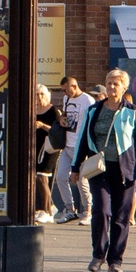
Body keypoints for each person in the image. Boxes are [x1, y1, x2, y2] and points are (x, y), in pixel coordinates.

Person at [71, 68, 136, 272]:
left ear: (124, 87)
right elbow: (82, 140)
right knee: (100, 210)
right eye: (109, 83)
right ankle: (98, 255)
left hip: (125, 170)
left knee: (120, 216)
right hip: (100, 168)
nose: (111, 87)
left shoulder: (132, 111)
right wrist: (75, 167)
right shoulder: (94, 110)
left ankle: (115, 260)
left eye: (116, 84)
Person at [49, 78, 93, 225]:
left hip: (79, 146)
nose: (64, 93)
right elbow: (65, 115)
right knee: (61, 176)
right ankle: (69, 209)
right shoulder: (67, 98)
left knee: (81, 180)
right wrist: (62, 119)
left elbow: (92, 122)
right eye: (62, 90)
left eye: (66, 90)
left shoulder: (88, 100)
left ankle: (88, 211)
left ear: (75, 86)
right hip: (67, 144)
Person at [30, 84, 65, 222]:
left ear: (47, 95)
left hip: (49, 147)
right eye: (37, 94)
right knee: (35, 178)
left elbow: (59, 130)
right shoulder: (33, 110)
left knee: (42, 177)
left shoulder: (53, 111)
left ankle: (47, 211)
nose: (39, 97)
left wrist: (42, 125)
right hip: (35, 147)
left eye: (42, 94)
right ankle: (46, 206)